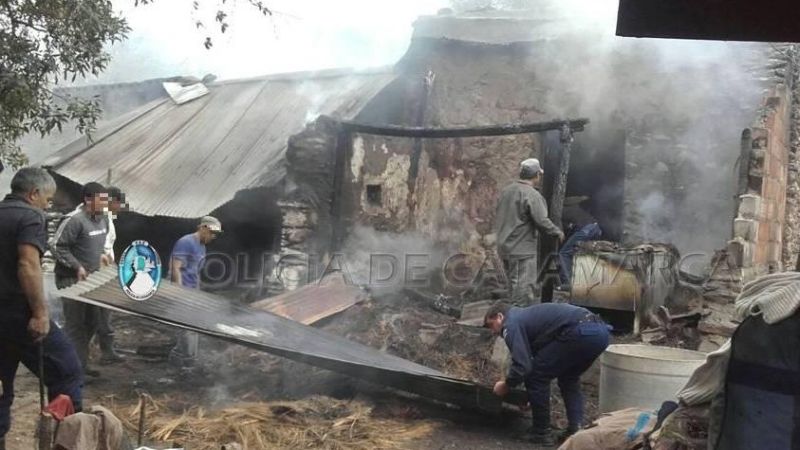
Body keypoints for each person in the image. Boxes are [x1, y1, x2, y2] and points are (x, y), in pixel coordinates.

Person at [0, 168, 83, 449]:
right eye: (47, 199)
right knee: (67, 371)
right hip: (18, 314)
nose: (48, 205)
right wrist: (40, 313)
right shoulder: (30, 216)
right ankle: (65, 441)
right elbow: (27, 264)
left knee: (2, 386)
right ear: (33, 193)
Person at [485, 302, 609, 445]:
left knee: (536, 376)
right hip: (600, 333)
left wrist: (506, 385)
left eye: (491, 325)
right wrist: (532, 396)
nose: (493, 332)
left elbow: (523, 367)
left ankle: (541, 432)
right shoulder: (528, 318)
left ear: (500, 317)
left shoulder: (511, 323)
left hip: (578, 331)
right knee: (568, 378)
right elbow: (535, 359)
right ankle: (576, 430)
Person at [52, 182, 109, 377]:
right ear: (87, 200)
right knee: (75, 326)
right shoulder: (74, 220)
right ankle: (73, 371)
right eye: (100, 201)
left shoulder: (103, 220)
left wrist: (101, 254)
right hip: (71, 280)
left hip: (92, 280)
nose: (104, 205)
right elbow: (57, 246)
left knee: (92, 322)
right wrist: (77, 266)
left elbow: (97, 244)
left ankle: (80, 364)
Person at [495, 158, 564, 304]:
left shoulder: (507, 191)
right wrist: (557, 232)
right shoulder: (532, 195)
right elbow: (541, 220)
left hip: (505, 246)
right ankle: (518, 320)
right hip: (521, 250)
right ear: (536, 175)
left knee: (514, 285)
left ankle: (511, 319)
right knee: (523, 291)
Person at [168, 215, 222, 367]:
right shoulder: (186, 242)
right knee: (188, 328)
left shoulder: (202, 246)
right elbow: (175, 268)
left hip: (192, 291)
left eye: (215, 234)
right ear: (203, 228)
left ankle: (179, 359)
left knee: (193, 326)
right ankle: (188, 363)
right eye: (211, 233)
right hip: (182, 290)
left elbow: (196, 271)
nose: (213, 236)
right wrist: (179, 292)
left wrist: (198, 293)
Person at [96, 186, 127, 364]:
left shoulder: (108, 218)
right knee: (98, 315)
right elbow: (100, 247)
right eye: (119, 204)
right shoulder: (99, 217)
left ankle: (107, 351)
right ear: (112, 201)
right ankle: (103, 352)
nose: (120, 208)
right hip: (99, 273)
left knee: (104, 314)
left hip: (105, 271)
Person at [558, 197, 602, 286]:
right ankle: (589, 281)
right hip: (596, 228)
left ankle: (567, 283)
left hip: (586, 229)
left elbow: (562, 233)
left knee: (564, 253)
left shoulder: (559, 212)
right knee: (584, 253)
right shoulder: (574, 206)